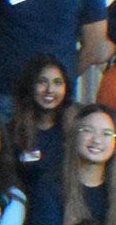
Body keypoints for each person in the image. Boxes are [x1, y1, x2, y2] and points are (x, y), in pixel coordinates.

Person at [7, 55, 75, 187]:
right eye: (42, 82)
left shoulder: (73, 130)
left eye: (57, 82)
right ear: (29, 86)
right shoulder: (11, 133)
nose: (50, 90)